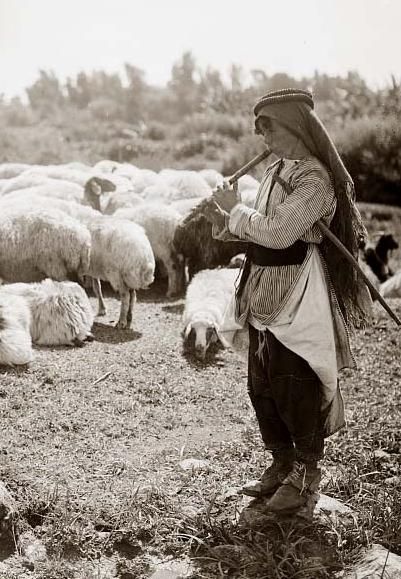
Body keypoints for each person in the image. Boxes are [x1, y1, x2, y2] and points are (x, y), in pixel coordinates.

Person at [202, 88, 370, 515]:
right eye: (260, 130)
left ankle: (307, 476)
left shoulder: (315, 180)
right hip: (262, 288)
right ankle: (281, 463)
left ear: (294, 126)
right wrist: (222, 218)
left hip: (298, 292)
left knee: (294, 383)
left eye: (269, 128)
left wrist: (236, 209)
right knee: (261, 385)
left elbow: (279, 233)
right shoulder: (276, 169)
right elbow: (257, 230)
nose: (264, 138)